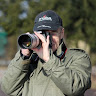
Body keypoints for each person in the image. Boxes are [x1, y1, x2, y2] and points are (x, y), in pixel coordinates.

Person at [1, 10, 91, 96]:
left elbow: (75, 88)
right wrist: (23, 57)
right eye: (43, 33)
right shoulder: (29, 60)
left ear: (62, 33)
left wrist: (48, 60)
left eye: (52, 33)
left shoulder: (78, 57)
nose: (47, 38)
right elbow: (8, 89)